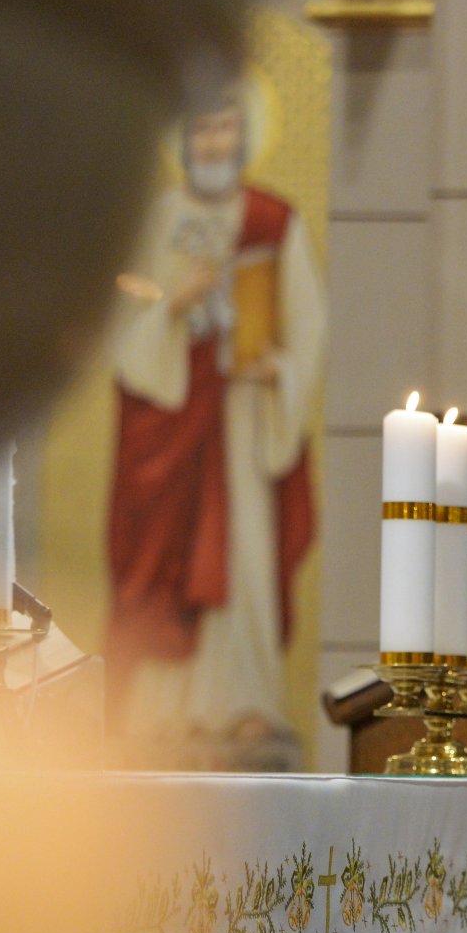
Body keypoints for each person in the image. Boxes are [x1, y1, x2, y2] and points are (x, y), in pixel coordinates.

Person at [105, 93, 328, 760]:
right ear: (184, 138)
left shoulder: (271, 222)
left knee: (246, 557)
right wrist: (175, 304)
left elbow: (310, 325)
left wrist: (278, 370)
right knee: (166, 555)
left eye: (225, 127)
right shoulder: (156, 220)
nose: (213, 142)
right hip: (171, 420)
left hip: (241, 418)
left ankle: (245, 701)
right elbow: (120, 315)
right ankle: (160, 706)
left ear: (244, 135)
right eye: (201, 128)